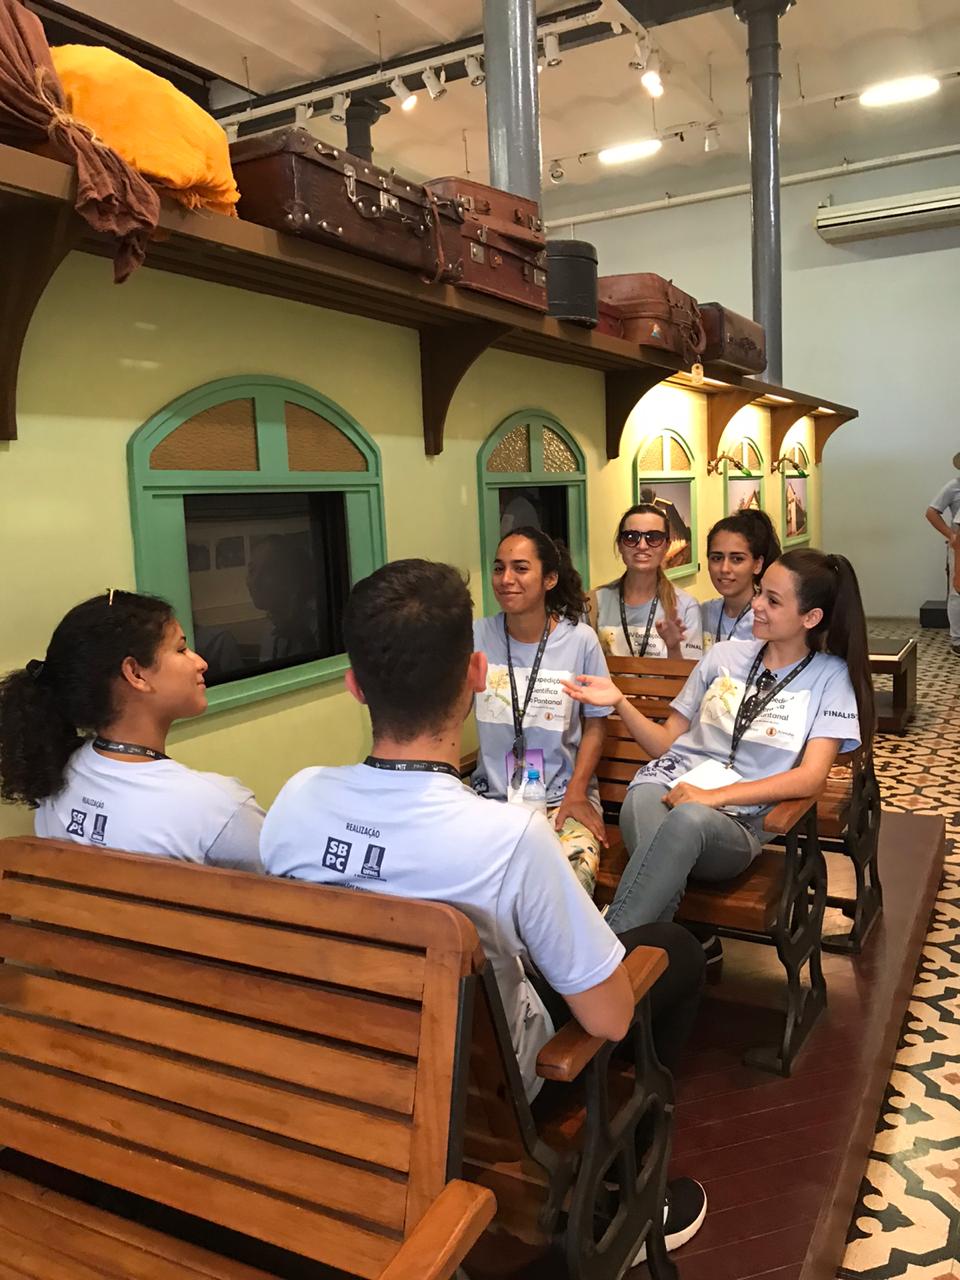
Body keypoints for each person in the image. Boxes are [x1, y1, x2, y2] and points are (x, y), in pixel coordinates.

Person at [260, 559, 707, 1257]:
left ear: (354, 686)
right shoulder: (509, 839)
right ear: (476, 674)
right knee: (671, 952)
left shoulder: (295, 800)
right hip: (481, 1091)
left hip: (350, 1063)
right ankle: (627, 1179)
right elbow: (610, 1019)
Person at [565, 550, 872, 931]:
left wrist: (714, 796)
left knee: (687, 821)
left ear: (810, 618)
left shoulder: (830, 677)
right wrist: (620, 702)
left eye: (773, 601)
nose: (756, 605)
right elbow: (666, 743)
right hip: (663, 785)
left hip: (737, 822)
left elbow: (811, 777)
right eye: (760, 593)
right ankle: (641, 955)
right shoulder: (724, 655)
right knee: (648, 807)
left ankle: (607, 949)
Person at [0, 590, 264, 869]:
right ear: (136, 674)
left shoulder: (53, 774)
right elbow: (285, 888)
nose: (201, 663)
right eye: (181, 649)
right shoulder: (217, 807)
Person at [471, 528, 611, 897]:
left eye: (520, 568)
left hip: (561, 800)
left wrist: (577, 792)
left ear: (549, 579)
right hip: (491, 801)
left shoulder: (579, 641)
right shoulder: (477, 636)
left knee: (566, 886)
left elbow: (596, 726)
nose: (506, 579)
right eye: (499, 568)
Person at [592, 504, 703, 661]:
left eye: (654, 538)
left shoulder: (685, 606)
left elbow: (689, 675)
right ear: (620, 545)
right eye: (631, 537)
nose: (642, 546)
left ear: (667, 546)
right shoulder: (596, 602)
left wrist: (673, 648)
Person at [701, 509, 781, 650]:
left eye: (737, 559)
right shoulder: (703, 613)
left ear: (757, 565)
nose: (724, 568)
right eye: (717, 558)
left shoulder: (768, 619)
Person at [925, 452, 960, 655]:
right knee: (957, 591)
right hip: (959, 545)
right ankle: (957, 639)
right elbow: (931, 512)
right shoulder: (953, 486)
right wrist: (951, 535)